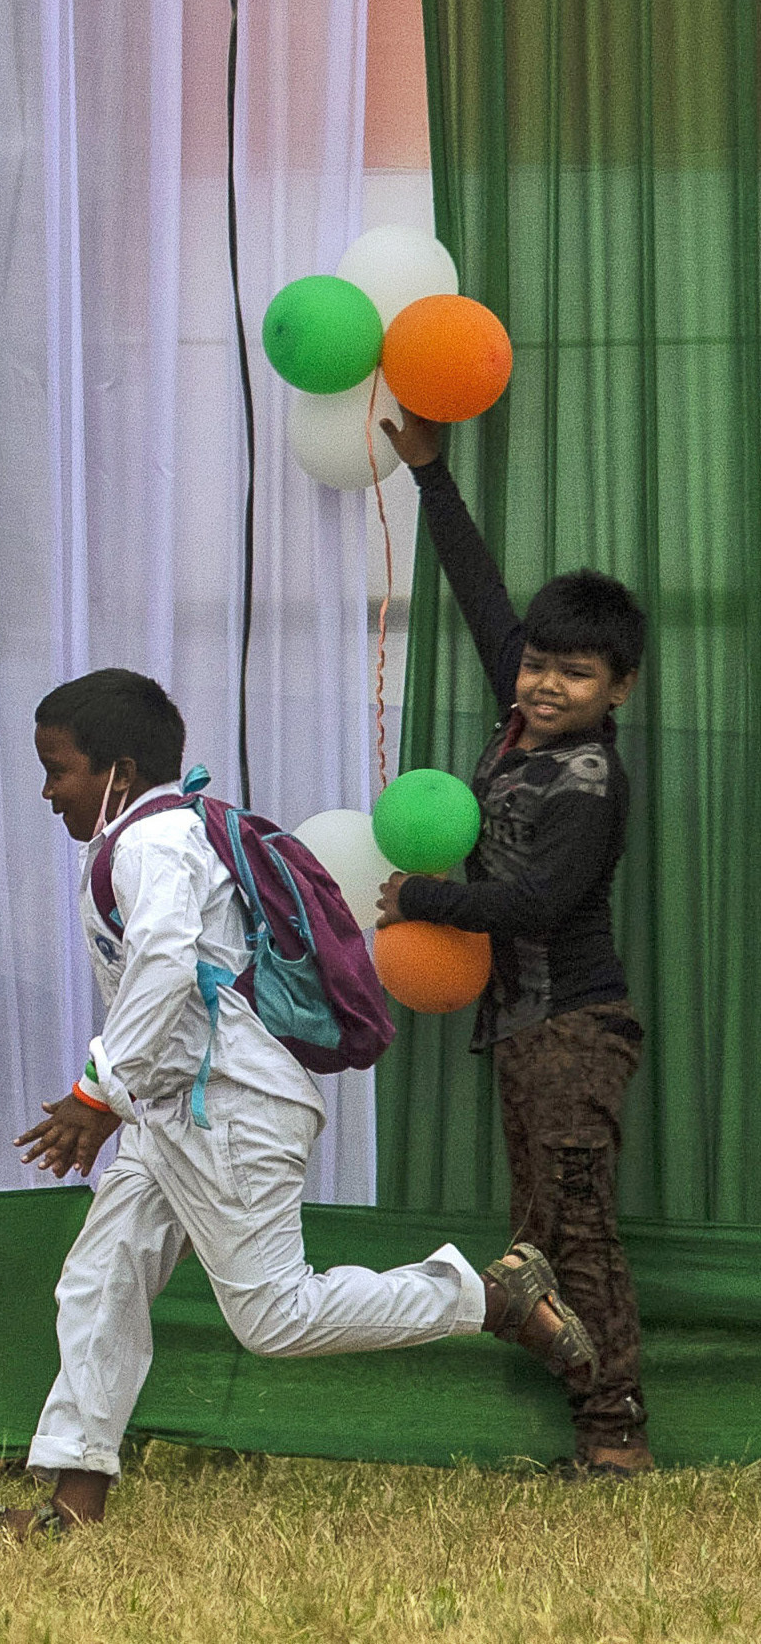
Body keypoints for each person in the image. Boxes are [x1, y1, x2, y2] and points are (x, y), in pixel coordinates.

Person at [0, 669, 594, 1547]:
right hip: (176, 1108)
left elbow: (168, 963)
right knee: (101, 1284)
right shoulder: (154, 832)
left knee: (275, 1318)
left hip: (228, 1111)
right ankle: (72, 1512)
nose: (46, 790)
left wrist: (95, 1092)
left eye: (58, 770)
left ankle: (483, 1297)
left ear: (120, 770)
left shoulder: (153, 844)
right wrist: (123, 1098)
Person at [380, 411, 655, 1475]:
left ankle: (618, 1437)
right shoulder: (521, 713)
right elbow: (482, 596)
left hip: (578, 1029)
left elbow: (540, 902)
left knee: (574, 1232)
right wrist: (431, 474)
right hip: (525, 1031)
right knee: (536, 1241)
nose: (544, 684)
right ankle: (592, 1416)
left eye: (574, 674)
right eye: (539, 665)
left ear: (616, 689)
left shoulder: (590, 780)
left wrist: (420, 897)